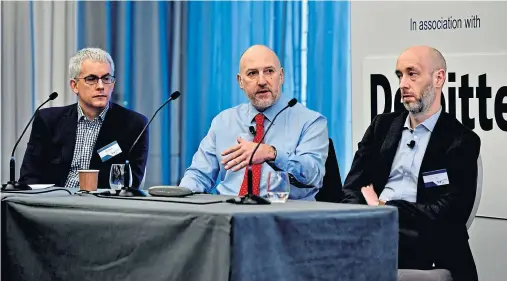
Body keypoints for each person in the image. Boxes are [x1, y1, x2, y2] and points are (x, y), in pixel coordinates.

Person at [341, 46, 480, 281]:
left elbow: (448, 212)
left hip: (428, 245)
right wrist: (369, 216)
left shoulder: (461, 140)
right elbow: (352, 188)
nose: (403, 84)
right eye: (399, 75)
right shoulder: (381, 127)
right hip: (373, 235)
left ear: (438, 78)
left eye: (412, 74)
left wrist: (385, 207)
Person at [179, 44, 329, 200]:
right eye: (252, 73)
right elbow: (198, 175)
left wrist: (272, 153)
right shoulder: (223, 121)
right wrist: (179, 196)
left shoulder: (311, 121)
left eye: (269, 71)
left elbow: (314, 175)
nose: (262, 81)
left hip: (284, 217)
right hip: (228, 214)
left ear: (281, 76)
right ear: (240, 81)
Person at [19, 47, 149, 189]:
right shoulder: (48, 120)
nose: (100, 86)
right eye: (91, 79)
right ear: (74, 86)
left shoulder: (133, 125)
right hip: (53, 203)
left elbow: (130, 182)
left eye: (106, 78)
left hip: (102, 206)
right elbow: (29, 175)